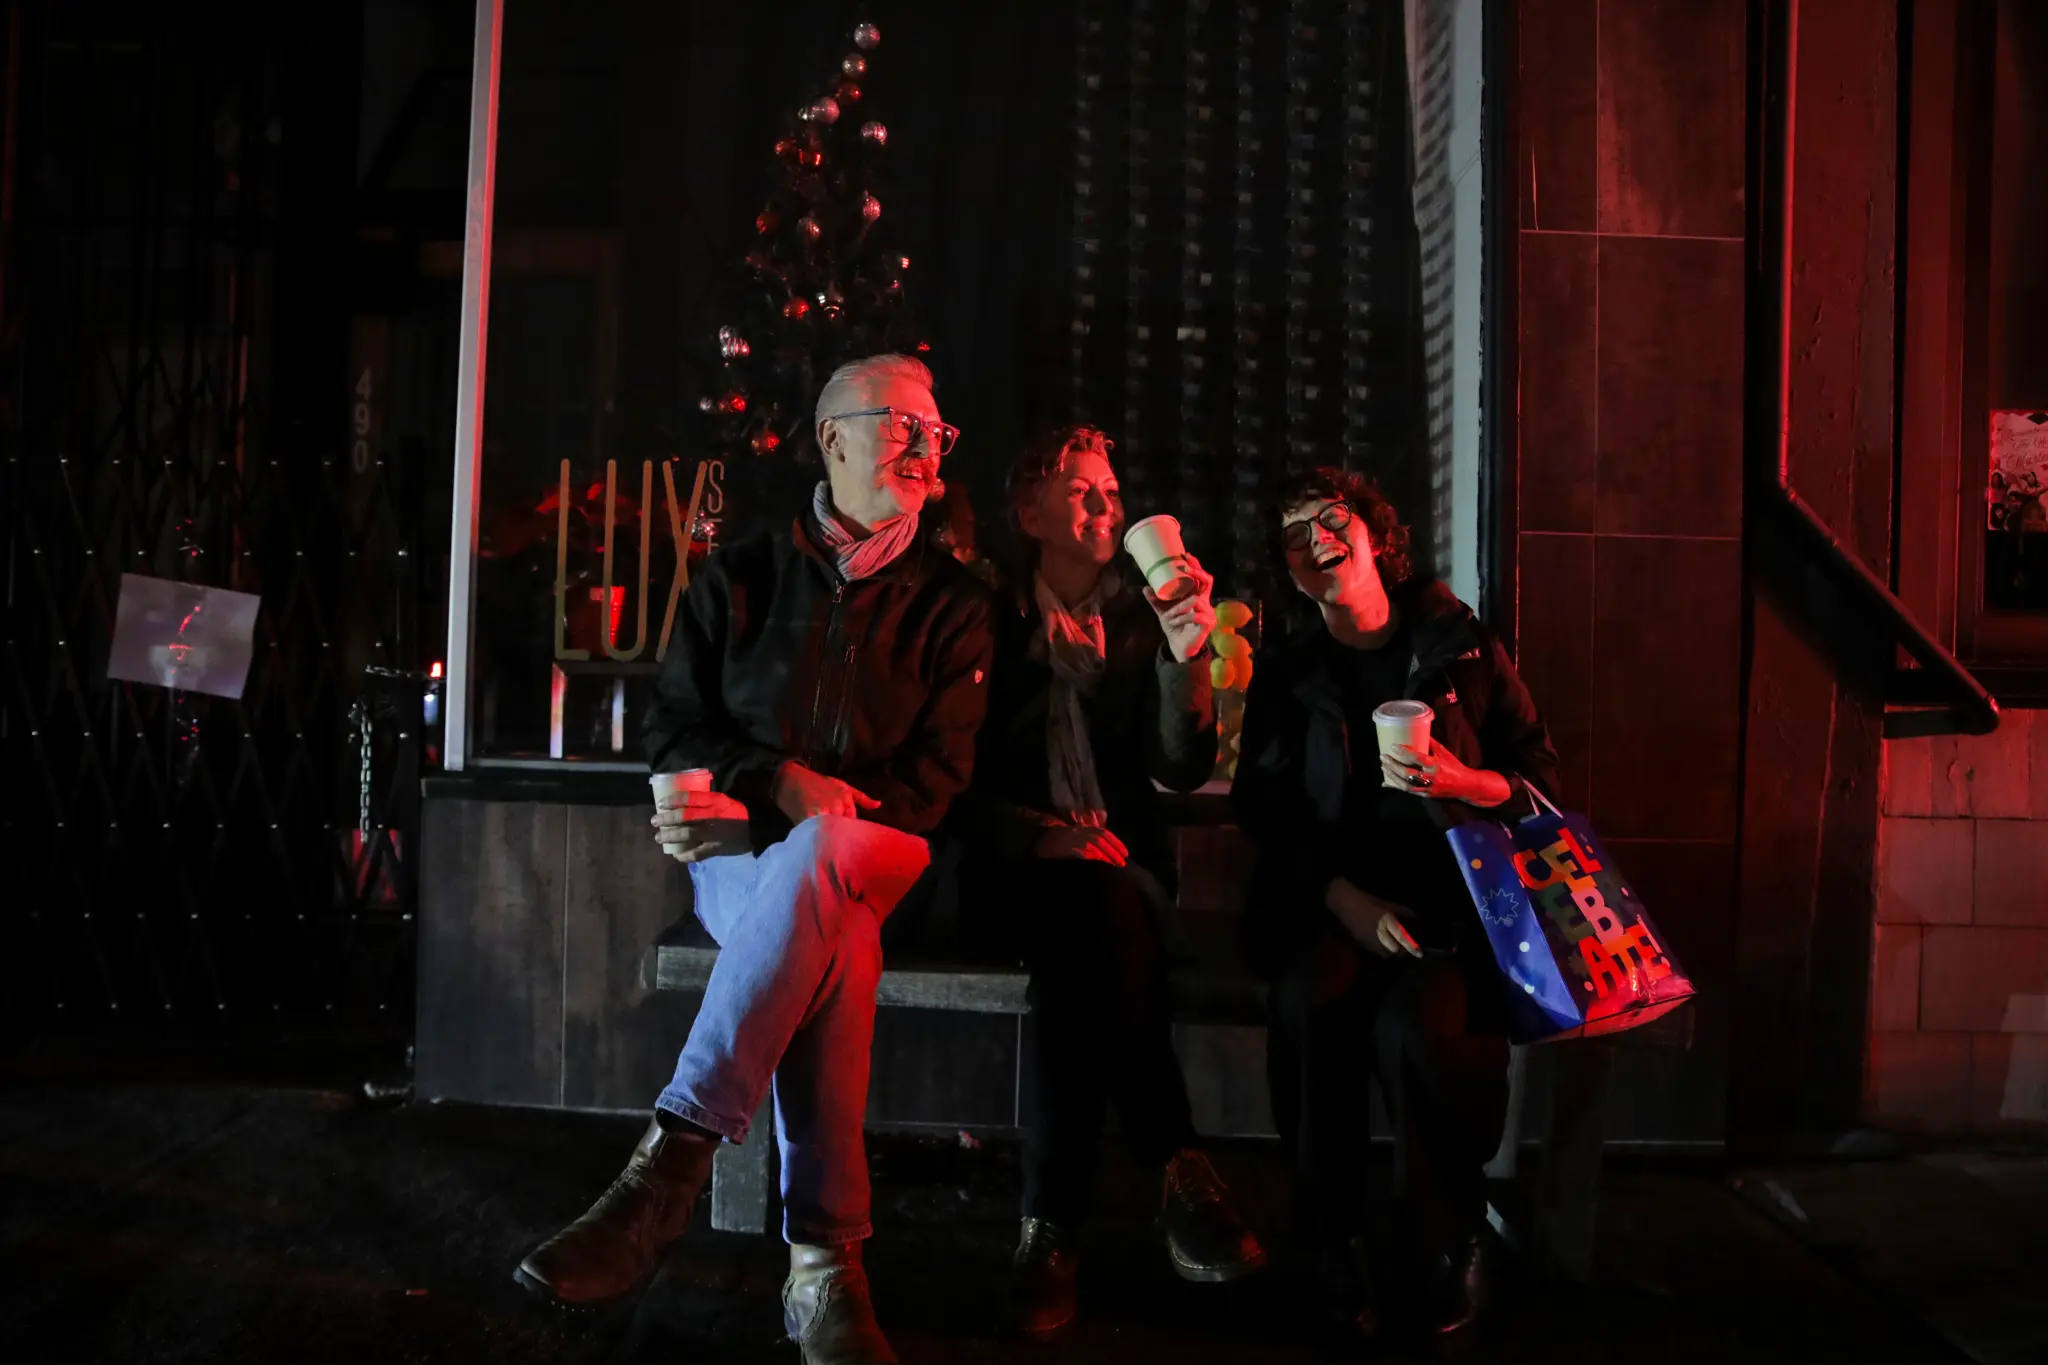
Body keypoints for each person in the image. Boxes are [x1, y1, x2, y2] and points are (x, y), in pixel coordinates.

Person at [515, 354, 994, 1365]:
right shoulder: (735, 578)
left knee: (831, 862)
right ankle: (826, 1268)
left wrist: (827, 816)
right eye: (901, 425)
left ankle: (668, 1165)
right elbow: (674, 728)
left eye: (934, 433)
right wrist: (772, 781)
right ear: (832, 438)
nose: (923, 448)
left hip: (886, 861)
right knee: (836, 945)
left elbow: (940, 780)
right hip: (748, 863)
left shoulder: (954, 603)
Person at [952, 426, 1267, 1342]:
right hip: (1006, 876)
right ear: (1030, 512)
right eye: (1084, 491)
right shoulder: (986, 617)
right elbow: (946, 782)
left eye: (1114, 493)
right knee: (1096, 916)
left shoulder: (1139, 622)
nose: (1107, 508)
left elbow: (1180, 767)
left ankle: (1049, 1227)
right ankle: (1178, 1164)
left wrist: (1183, 655)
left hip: (1114, 888)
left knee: (1086, 949)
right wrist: (1040, 839)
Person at [1233, 466, 1559, 1345]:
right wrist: (1339, 896)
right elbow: (1260, 806)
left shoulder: (1460, 643)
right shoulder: (1292, 668)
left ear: (1377, 531)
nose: (1314, 542)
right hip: (1333, 902)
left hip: (1455, 912)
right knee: (1312, 1004)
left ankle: (1444, 1238)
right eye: (1293, 537)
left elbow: (1540, 779)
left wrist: (1464, 780)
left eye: (1329, 520)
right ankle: (1333, 1238)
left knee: (1424, 1031)